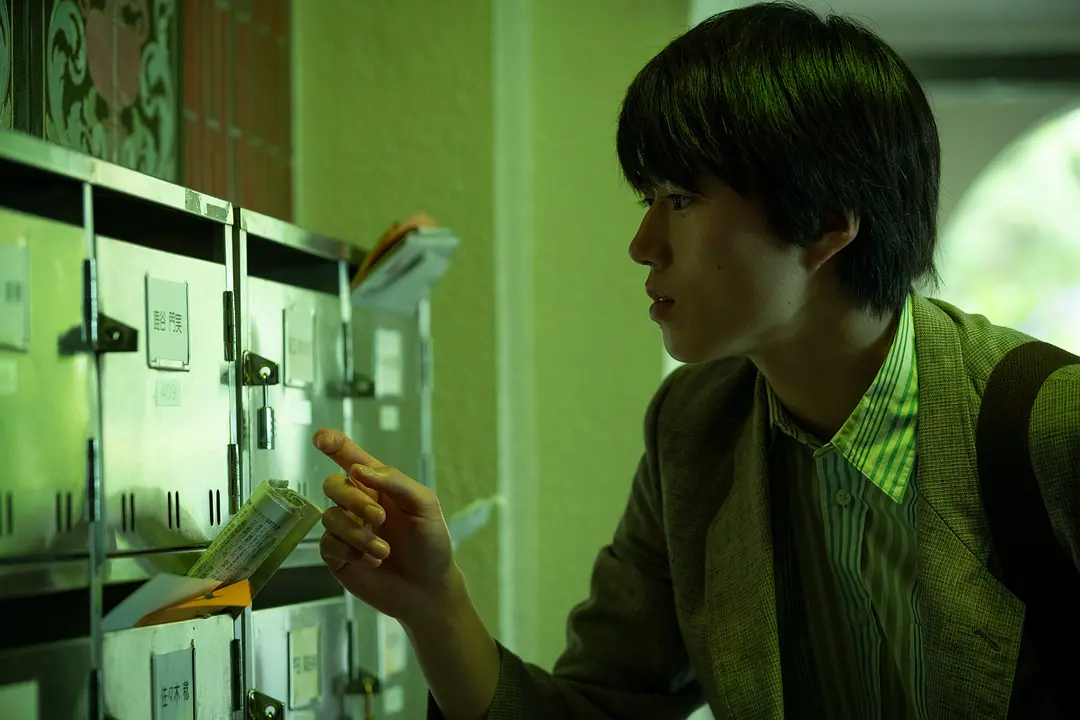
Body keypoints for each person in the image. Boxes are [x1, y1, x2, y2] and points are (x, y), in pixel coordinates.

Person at [313, 3, 1080, 718]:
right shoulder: (696, 427)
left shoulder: (1049, 425)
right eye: (648, 199)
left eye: (680, 200)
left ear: (827, 222)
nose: (643, 245)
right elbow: (600, 706)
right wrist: (436, 605)